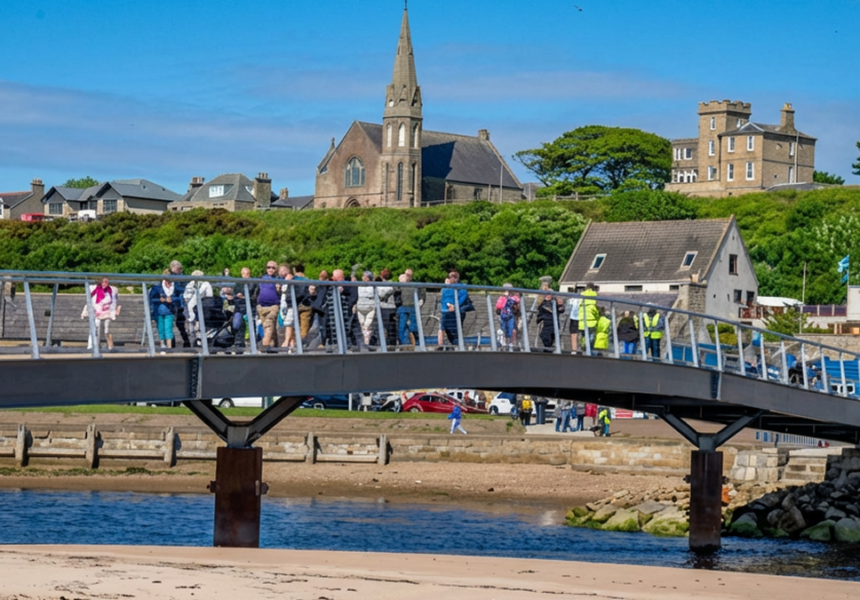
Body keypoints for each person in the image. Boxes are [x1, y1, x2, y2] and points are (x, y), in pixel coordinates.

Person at [82, 277, 120, 350]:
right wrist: (87, 311)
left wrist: (113, 312)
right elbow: (89, 301)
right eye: (103, 282)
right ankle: (93, 345)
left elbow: (113, 302)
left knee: (106, 330)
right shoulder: (94, 289)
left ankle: (109, 344)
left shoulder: (111, 290)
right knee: (96, 326)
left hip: (107, 312)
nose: (105, 283)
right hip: (97, 312)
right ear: (100, 282)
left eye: (106, 282)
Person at [438, 270, 472, 347]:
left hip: (457, 311)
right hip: (446, 311)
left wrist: (454, 306)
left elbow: (463, 297)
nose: (452, 279)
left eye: (454, 277)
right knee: (444, 329)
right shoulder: (446, 287)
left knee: (454, 332)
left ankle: (459, 346)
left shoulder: (461, 287)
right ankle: (441, 345)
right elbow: (444, 297)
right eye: (451, 277)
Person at [183, 270, 213, 347]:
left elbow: (209, 296)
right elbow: (186, 296)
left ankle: (203, 343)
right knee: (193, 328)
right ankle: (197, 342)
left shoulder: (206, 284)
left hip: (203, 309)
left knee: (202, 327)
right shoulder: (190, 285)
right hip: (191, 309)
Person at [150, 269, 178, 349]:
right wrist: (160, 300)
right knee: (161, 328)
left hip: (170, 311)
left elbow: (180, 297)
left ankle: (169, 346)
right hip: (158, 311)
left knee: (168, 328)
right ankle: (162, 344)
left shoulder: (175, 286)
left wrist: (173, 299)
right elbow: (151, 298)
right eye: (167, 281)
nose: (169, 284)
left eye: (170, 281)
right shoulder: (157, 287)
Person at [256, 261, 281, 348]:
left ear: (276, 269)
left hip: (273, 306)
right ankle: (273, 348)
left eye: (273, 268)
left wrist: (279, 289)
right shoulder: (261, 278)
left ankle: (264, 345)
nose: (270, 269)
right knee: (269, 329)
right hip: (262, 307)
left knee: (269, 325)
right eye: (268, 267)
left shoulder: (279, 279)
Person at [397, 269, 425, 346]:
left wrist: (420, 304)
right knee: (402, 327)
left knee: (414, 327)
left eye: (409, 275)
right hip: (403, 307)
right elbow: (395, 293)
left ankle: (418, 343)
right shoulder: (399, 285)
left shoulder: (416, 285)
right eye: (406, 274)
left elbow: (422, 295)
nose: (407, 276)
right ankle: (405, 344)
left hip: (413, 308)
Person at [169, 260, 191, 348]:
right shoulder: (171, 276)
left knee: (179, 324)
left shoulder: (179, 277)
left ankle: (185, 341)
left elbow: (183, 288)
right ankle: (174, 341)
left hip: (178, 303)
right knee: (174, 323)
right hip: (174, 303)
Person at [536, 283, 564, 350]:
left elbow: (561, 310)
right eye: (547, 294)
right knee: (544, 335)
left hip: (553, 323)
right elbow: (539, 311)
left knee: (551, 335)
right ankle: (547, 347)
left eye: (550, 294)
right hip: (546, 322)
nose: (548, 296)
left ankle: (549, 346)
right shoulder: (542, 303)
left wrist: (560, 306)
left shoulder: (555, 302)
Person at [495, 283, 520, 350]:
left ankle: (512, 343)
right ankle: (505, 343)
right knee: (503, 329)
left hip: (511, 315)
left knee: (512, 329)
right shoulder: (502, 298)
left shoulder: (513, 298)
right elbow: (498, 307)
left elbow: (517, 301)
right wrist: (504, 299)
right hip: (503, 315)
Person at [356, 270, 377, 345]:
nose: (364, 278)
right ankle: (363, 342)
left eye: (366, 276)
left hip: (370, 306)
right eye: (363, 276)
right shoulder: (359, 285)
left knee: (367, 325)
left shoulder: (373, 286)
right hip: (360, 306)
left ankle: (367, 341)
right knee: (361, 324)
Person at [377, 268, 397, 346]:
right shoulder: (381, 284)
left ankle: (391, 344)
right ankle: (382, 343)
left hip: (388, 308)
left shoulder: (390, 284)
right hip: (382, 307)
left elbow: (382, 294)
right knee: (382, 327)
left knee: (390, 327)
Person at [578, 283, 599, 352]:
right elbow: (595, 312)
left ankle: (583, 345)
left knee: (583, 334)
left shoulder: (582, 294)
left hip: (582, 320)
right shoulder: (594, 295)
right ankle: (589, 347)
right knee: (591, 335)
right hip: (591, 321)